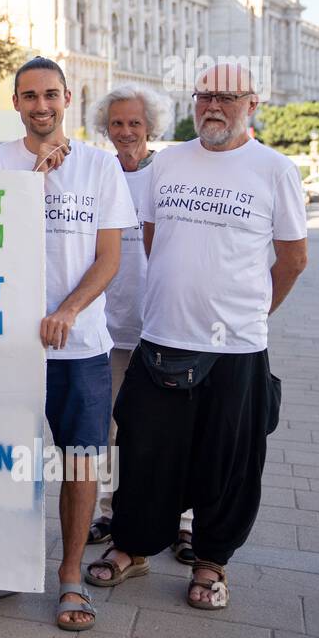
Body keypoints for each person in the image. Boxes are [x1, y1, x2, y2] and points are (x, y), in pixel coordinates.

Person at [85, 64, 307, 611]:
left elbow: (294, 259)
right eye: (204, 95)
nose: (213, 105)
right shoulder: (171, 163)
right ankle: (132, 547)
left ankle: (211, 561)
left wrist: (253, 313)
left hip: (237, 349)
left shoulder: (275, 169)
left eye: (227, 97)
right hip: (163, 337)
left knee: (226, 462)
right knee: (142, 450)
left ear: (251, 103)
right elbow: (156, 237)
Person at [0, 56, 137, 631]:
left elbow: (110, 257)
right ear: (15, 103)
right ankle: (4, 570)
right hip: (8, 347)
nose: (41, 106)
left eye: (50, 95)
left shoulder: (99, 167)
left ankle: (70, 577)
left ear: (67, 97)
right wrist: (34, 180)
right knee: (7, 462)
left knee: (80, 462)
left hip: (82, 346)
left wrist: (67, 311)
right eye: (29, 96)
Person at [86, 85, 195, 561]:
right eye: (116, 124)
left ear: (150, 126)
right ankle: (110, 511)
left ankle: (185, 522)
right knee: (107, 429)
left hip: (162, 327)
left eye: (134, 123)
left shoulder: (169, 173)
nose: (126, 132)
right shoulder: (97, 171)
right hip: (108, 327)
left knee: (171, 431)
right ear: (104, 128)